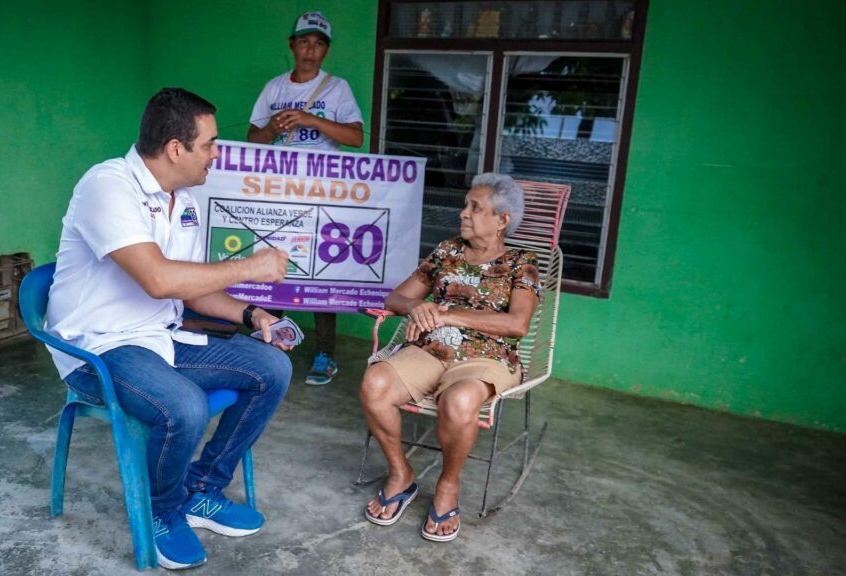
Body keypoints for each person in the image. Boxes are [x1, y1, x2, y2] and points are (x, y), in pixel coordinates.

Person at [45, 88, 294, 570]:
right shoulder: (107, 185)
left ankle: (203, 489)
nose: (217, 155)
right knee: (184, 406)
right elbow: (159, 279)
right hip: (98, 348)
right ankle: (163, 511)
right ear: (176, 148)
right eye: (210, 144)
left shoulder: (184, 200)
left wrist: (252, 315)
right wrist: (249, 268)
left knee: (272, 367)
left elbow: (190, 289)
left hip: (160, 336)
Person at [358, 173, 540, 542]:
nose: (463, 214)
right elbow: (395, 299)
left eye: (475, 208)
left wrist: (450, 314)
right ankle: (400, 474)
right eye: (465, 205)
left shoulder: (523, 262)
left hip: (488, 356)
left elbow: (518, 324)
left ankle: (447, 485)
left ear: (502, 220)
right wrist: (418, 306)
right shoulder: (447, 251)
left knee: (459, 401)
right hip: (433, 349)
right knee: (374, 383)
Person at [247, 11, 364, 386]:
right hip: (278, 194)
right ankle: (272, 341)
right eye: (304, 42)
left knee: (321, 276)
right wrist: (271, 128)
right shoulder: (274, 88)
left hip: (322, 195)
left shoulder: (337, 89)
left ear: (326, 50)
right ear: (292, 45)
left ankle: (325, 354)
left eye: (318, 44)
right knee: (274, 268)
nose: (310, 50)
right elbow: (253, 141)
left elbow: (356, 138)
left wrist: (313, 121)